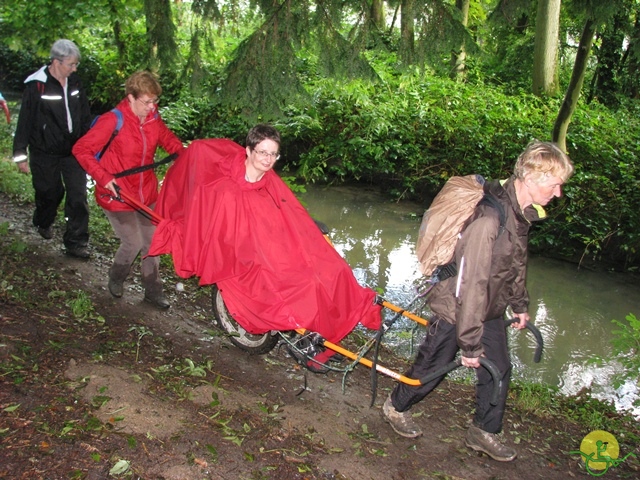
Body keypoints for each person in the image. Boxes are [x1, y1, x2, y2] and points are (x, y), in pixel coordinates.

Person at [382, 140, 574, 461]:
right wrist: (470, 344)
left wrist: (520, 303)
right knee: (433, 367)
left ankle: (483, 431)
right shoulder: (488, 219)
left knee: (498, 369)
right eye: (554, 185)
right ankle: (395, 406)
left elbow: (515, 261)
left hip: (489, 306)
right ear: (532, 176)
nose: (557, 194)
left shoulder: (519, 212)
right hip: (457, 307)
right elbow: (469, 285)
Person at [148, 124, 382, 370]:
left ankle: (322, 332)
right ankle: (307, 340)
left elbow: (290, 214)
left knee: (334, 269)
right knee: (307, 285)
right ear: (248, 151)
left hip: (274, 249)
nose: (268, 160)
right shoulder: (226, 190)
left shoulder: (269, 180)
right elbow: (223, 238)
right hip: (249, 259)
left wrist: (308, 232)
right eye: (262, 152)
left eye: (273, 154)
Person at [72, 71, 184, 309]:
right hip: (117, 194)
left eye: (155, 102)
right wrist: (104, 178)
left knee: (153, 243)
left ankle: (153, 291)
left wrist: (190, 156)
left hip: (146, 193)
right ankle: (116, 277)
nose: (152, 107)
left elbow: (170, 141)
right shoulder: (112, 120)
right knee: (132, 242)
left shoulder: (153, 117)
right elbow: (81, 149)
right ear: (131, 98)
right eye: (147, 102)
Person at [12, 39, 92, 258]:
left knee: (77, 195)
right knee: (50, 192)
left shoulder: (75, 82)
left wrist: (89, 144)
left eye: (76, 64)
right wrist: (20, 155)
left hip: (73, 151)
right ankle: (43, 220)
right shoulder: (36, 85)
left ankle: (76, 242)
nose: (74, 68)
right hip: (44, 151)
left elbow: (84, 116)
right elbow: (25, 121)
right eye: (71, 64)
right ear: (57, 61)